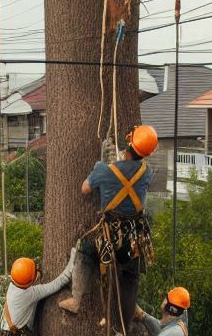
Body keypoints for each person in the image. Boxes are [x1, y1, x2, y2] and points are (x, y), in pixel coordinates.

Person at [59, 124, 157, 324]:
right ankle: (129, 313)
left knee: (84, 250)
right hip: (133, 240)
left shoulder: (105, 171)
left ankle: (76, 300)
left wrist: (101, 163)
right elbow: (129, 170)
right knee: (131, 274)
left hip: (109, 239)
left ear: (129, 144)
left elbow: (85, 189)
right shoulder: (147, 172)